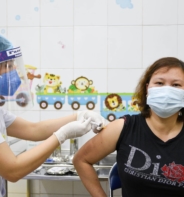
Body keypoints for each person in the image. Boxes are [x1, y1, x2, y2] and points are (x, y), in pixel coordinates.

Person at [0, 30, 106, 197]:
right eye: (8, 66)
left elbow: (33, 129)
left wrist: (79, 115)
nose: (15, 71)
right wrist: (62, 135)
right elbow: (12, 170)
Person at [73, 57, 184, 197]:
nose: (167, 91)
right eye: (159, 83)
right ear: (147, 88)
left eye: (176, 85)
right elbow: (81, 160)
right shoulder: (124, 127)